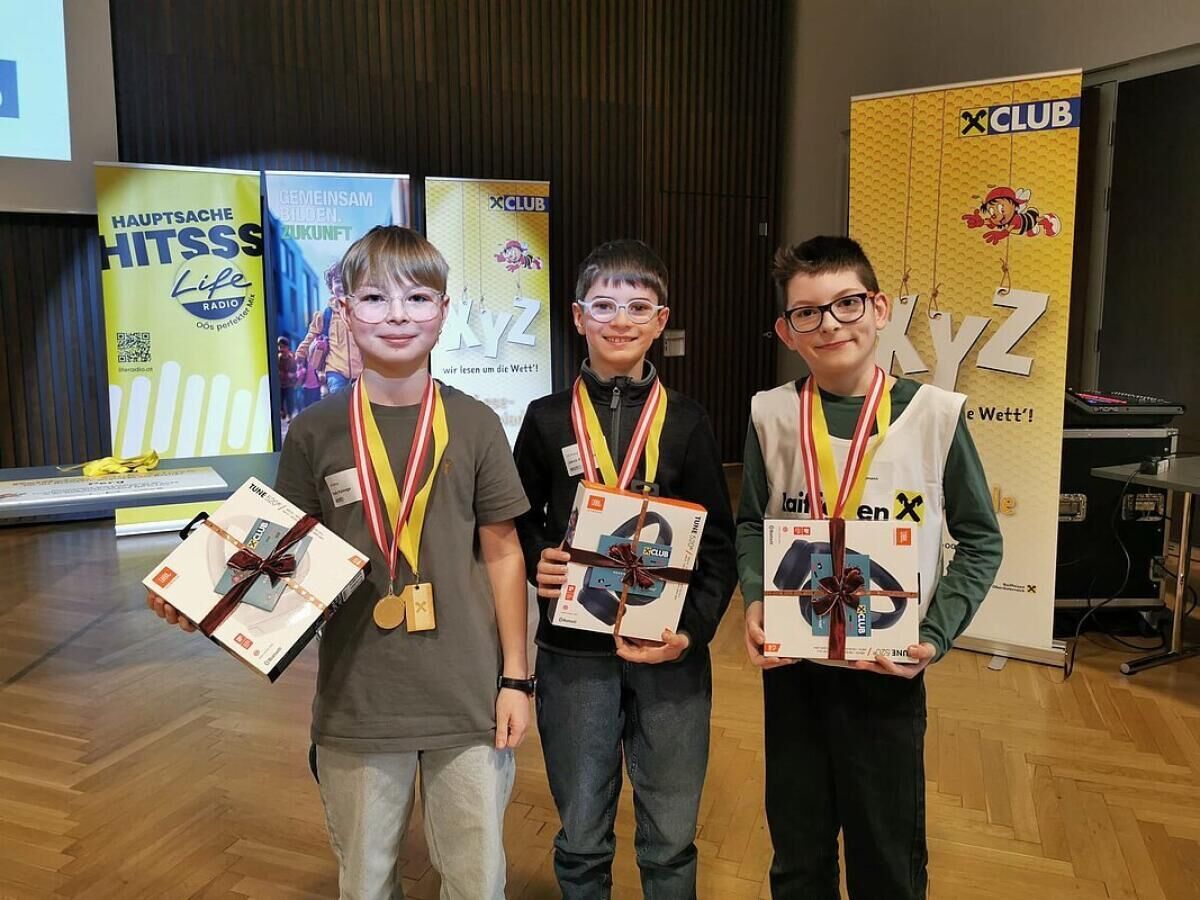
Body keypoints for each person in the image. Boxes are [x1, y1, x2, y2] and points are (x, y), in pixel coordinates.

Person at [149, 225, 534, 900]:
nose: (397, 315)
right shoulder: (315, 430)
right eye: (376, 298)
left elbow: (504, 553)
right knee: (366, 881)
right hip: (359, 696)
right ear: (346, 311)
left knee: (477, 881)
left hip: (469, 694)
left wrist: (516, 680)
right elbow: (279, 553)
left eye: (418, 298)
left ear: (444, 311)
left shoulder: (475, 423)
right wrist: (198, 598)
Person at [737, 235, 1003, 900]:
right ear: (787, 330)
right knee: (798, 856)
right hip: (794, 671)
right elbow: (752, 523)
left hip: (886, 672)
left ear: (879, 309)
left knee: (887, 859)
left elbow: (980, 540)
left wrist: (933, 636)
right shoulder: (771, 413)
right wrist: (755, 599)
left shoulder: (935, 416)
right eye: (808, 312)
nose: (830, 324)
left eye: (847, 304)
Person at [514, 239, 737, 898]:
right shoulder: (545, 418)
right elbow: (517, 520)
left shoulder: (688, 422)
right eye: (604, 305)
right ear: (578, 316)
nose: (621, 320)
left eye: (639, 307)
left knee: (671, 836)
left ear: (660, 320)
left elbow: (718, 545)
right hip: (572, 654)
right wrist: (536, 558)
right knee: (582, 831)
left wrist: (691, 633)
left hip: (669, 657)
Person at [297, 262, 363, 398]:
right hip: (335, 368)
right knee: (338, 401)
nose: (342, 285)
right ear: (331, 286)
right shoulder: (325, 315)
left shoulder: (362, 313)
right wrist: (300, 353)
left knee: (360, 404)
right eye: (338, 281)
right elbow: (311, 335)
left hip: (362, 370)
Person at [277, 335, 299, 422]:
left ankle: (290, 415)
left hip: (290, 384)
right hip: (280, 384)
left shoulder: (292, 358)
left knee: (290, 401)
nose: (281, 349)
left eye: (283, 347)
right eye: (279, 347)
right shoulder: (278, 358)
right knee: (280, 401)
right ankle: (282, 412)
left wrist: (293, 375)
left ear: (287, 347)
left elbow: (297, 371)